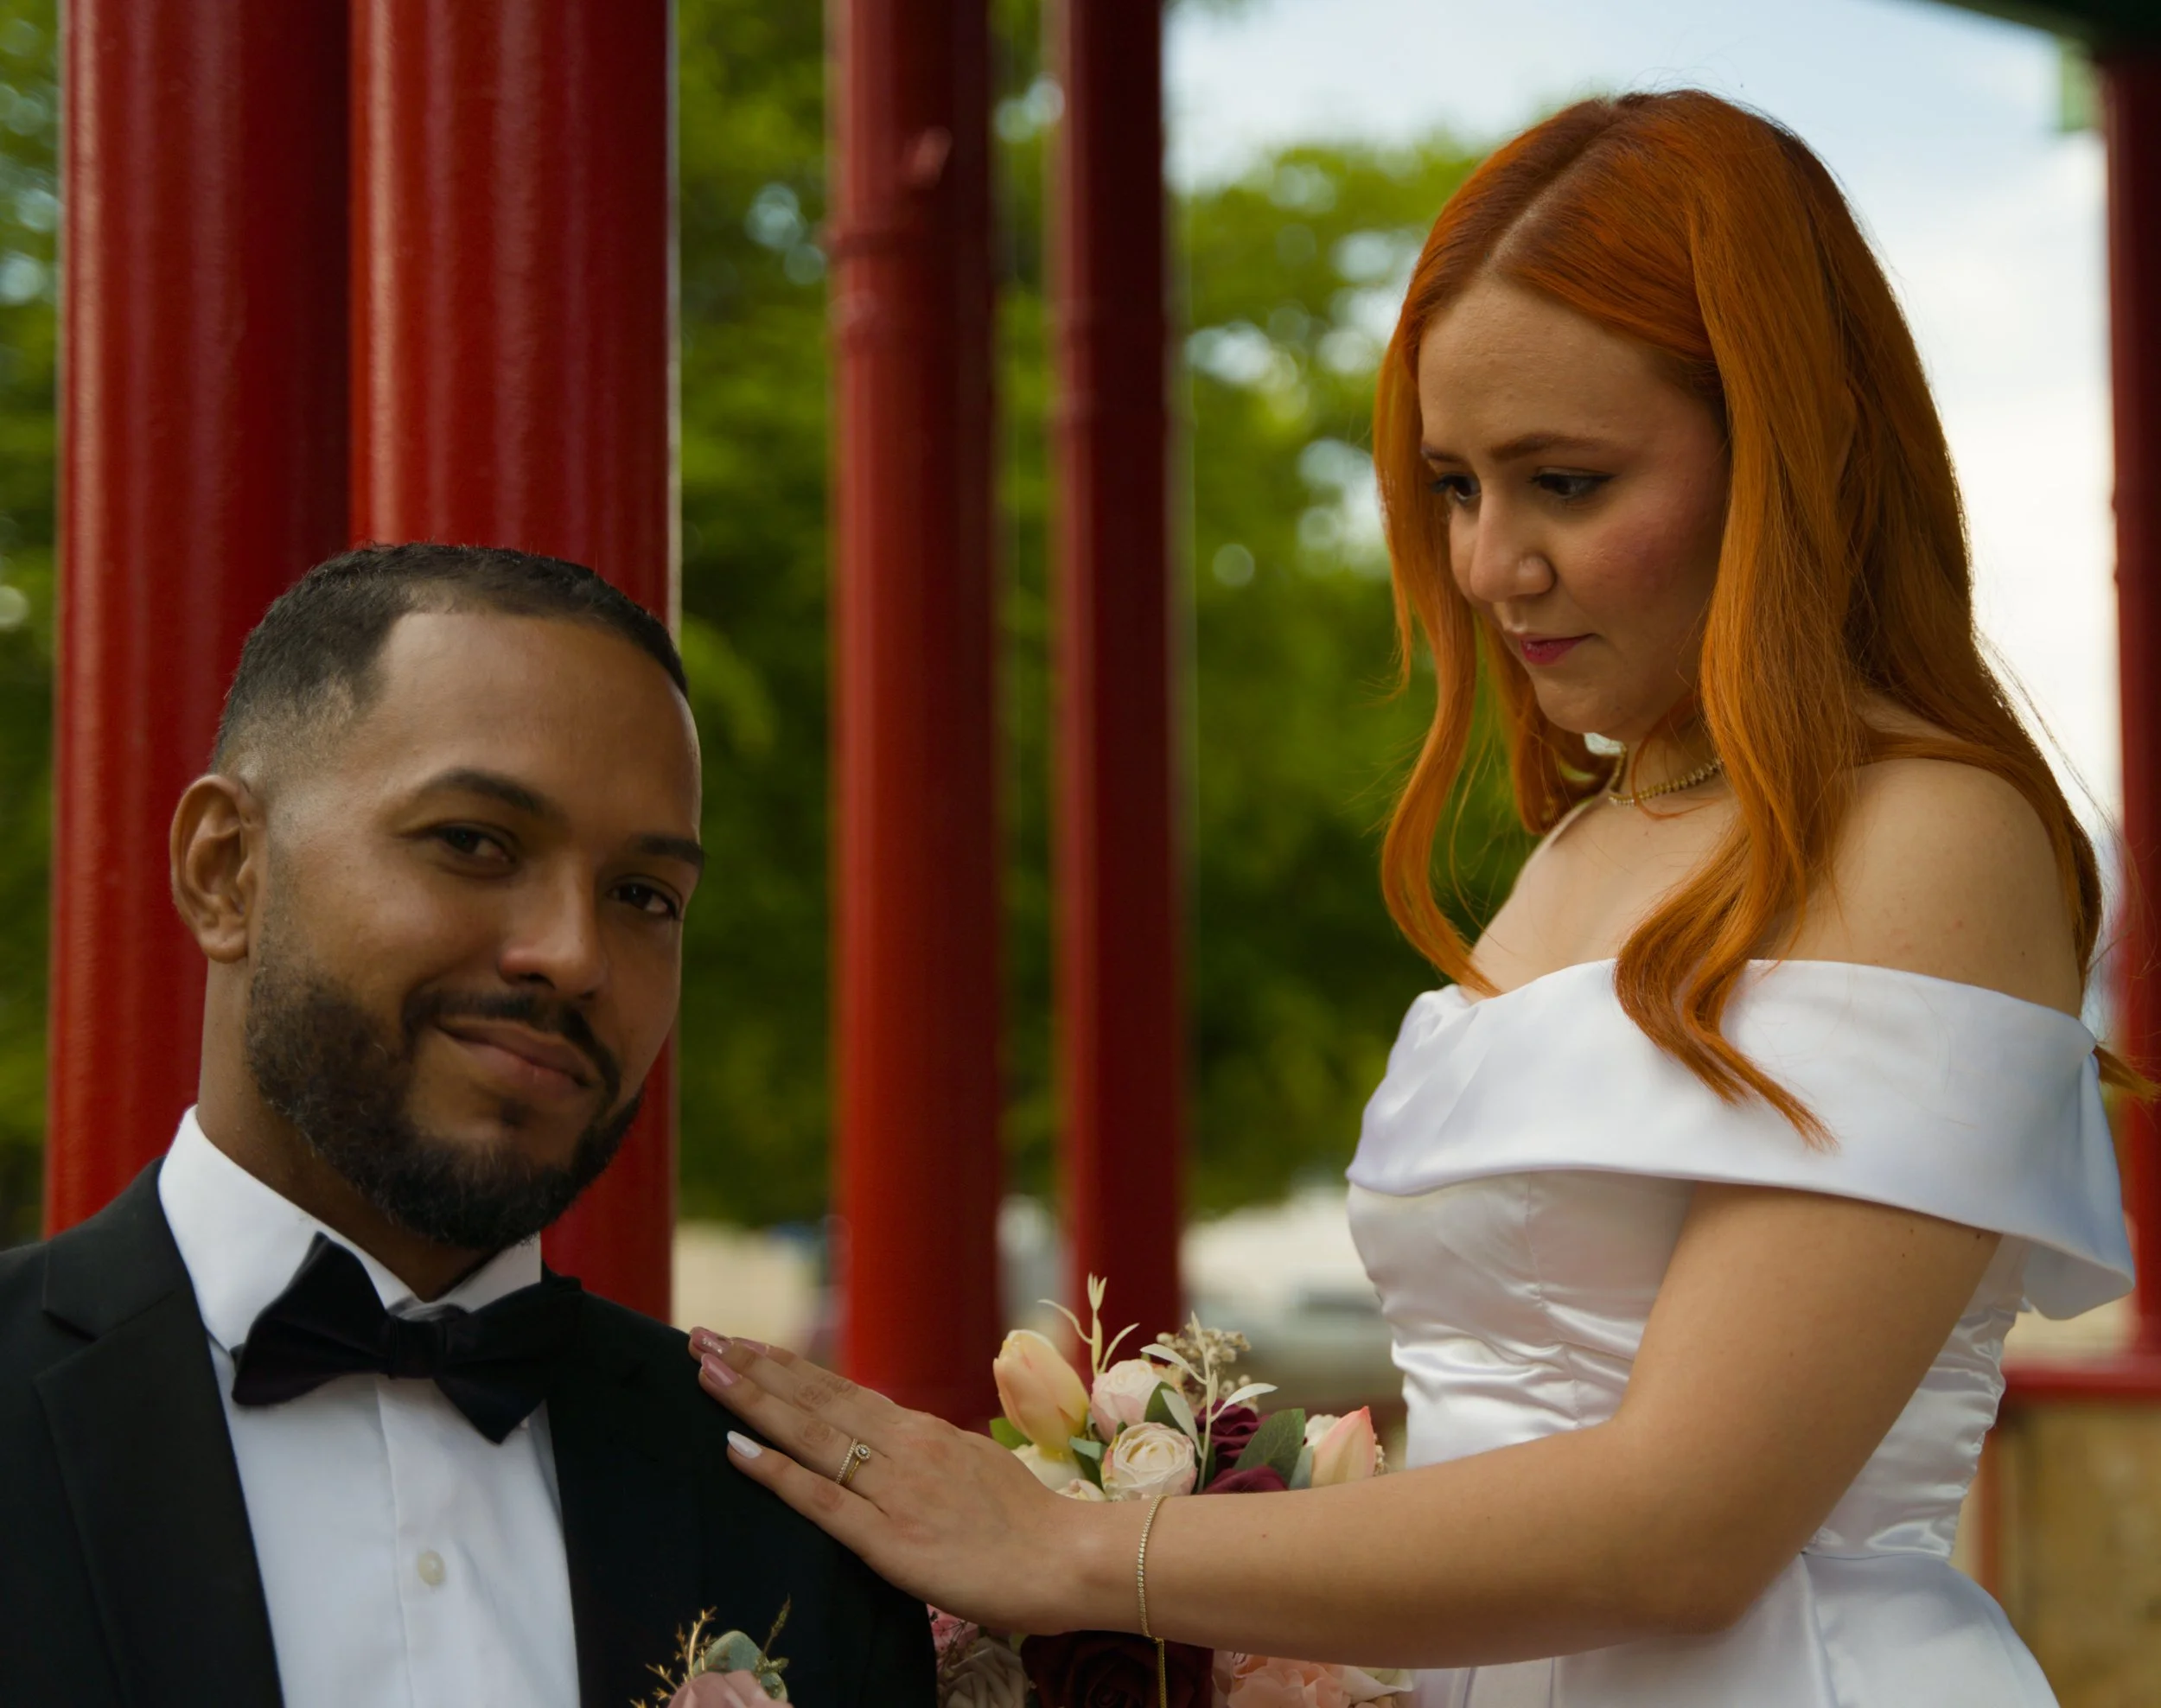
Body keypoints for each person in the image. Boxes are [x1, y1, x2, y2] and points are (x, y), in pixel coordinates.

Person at [685, 91, 2134, 1706]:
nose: (1487, 563)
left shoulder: (1929, 832)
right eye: (1454, 485)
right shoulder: (1590, 835)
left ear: (1796, 454)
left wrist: (1077, 1549)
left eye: (1566, 483)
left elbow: (1692, 1527)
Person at [0, 544, 934, 1708]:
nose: (576, 956)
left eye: (644, 897)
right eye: (475, 842)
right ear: (226, 871)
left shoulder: (796, 1524)